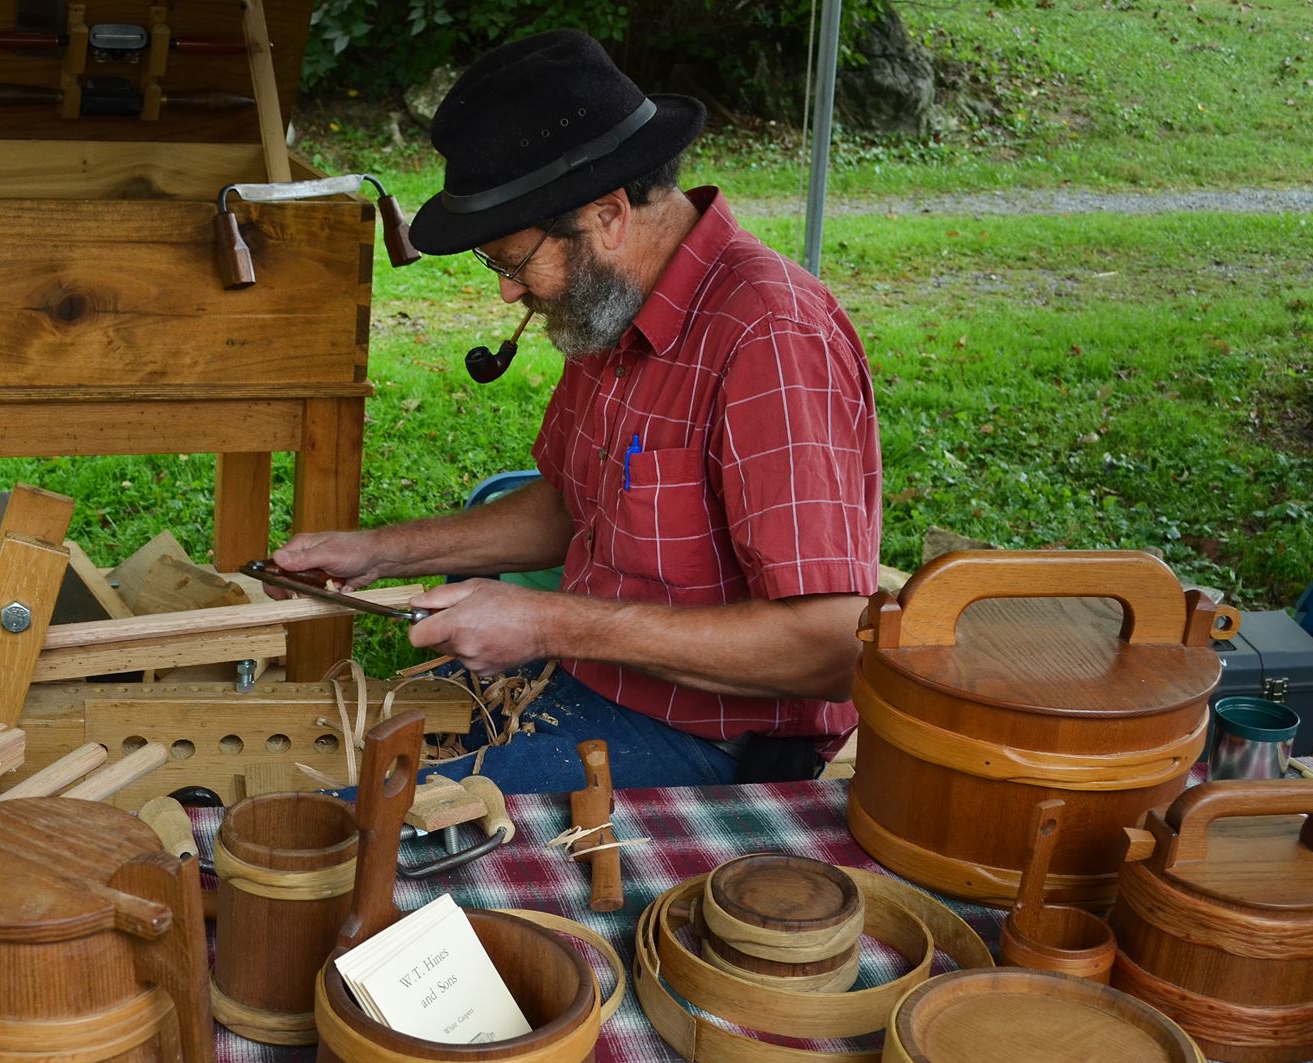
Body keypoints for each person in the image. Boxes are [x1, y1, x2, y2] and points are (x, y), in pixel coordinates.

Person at [274, 30, 882, 794]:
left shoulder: (771, 336)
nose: (507, 291)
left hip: (717, 743)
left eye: (512, 260)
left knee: (362, 826)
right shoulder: (610, 307)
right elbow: (569, 506)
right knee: (313, 777)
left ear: (608, 215)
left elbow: (830, 644)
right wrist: (378, 554)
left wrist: (543, 622)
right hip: (584, 684)